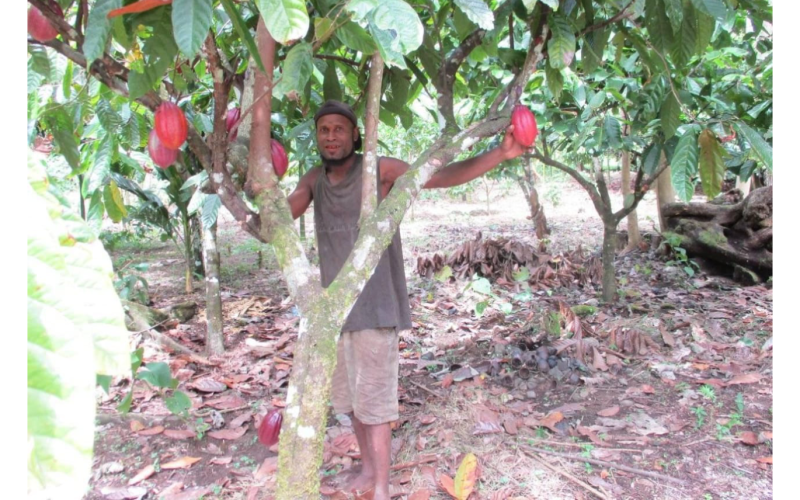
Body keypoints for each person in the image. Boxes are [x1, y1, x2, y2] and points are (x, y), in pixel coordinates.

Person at [286, 100, 530, 500]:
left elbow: (441, 176)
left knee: (375, 404)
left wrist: (501, 153)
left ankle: (381, 488)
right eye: (324, 130)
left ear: (354, 135)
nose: (331, 137)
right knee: (348, 400)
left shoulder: (378, 171)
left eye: (339, 129)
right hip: (335, 311)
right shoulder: (314, 178)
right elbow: (289, 208)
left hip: (375, 305)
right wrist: (260, 209)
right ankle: (367, 470)